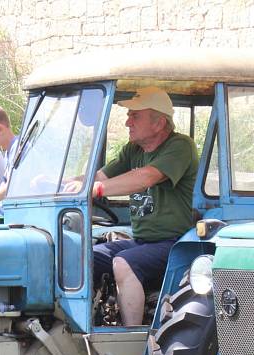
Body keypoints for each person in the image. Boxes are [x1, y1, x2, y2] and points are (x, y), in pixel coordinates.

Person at [83, 86, 198, 326]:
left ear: (158, 123)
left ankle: (131, 341)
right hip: (143, 241)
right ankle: (87, 326)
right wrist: (63, 184)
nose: (127, 122)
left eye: (135, 115)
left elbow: (146, 177)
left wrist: (97, 190)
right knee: (83, 257)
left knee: (124, 262)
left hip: (176, 244)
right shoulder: (133, 150)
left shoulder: (180, 147)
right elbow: (99, 177)